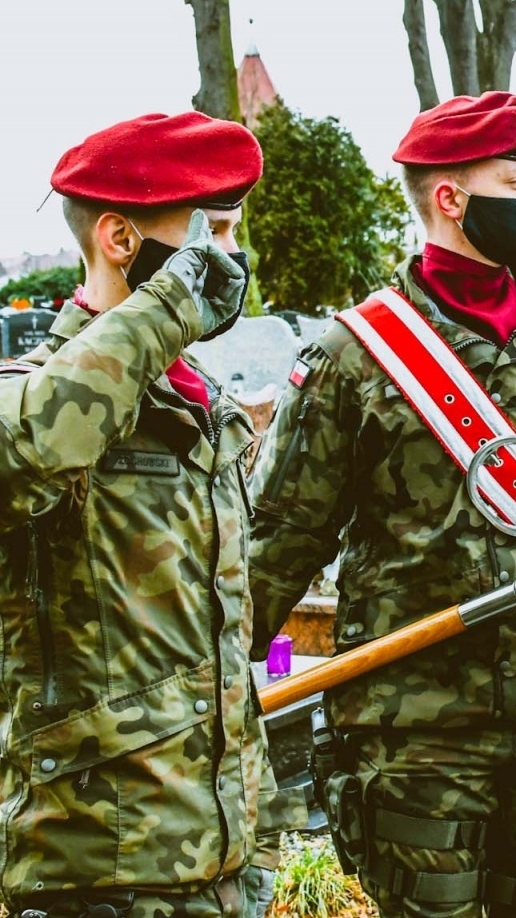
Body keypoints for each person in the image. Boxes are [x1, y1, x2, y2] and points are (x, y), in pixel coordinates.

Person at [248, 92, 516, 918]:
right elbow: (281, 539)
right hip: (416, 725)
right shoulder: (354, 357)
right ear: (451, 199)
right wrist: (218, 681)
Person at [0, 112, 275, 917]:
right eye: (209, 235)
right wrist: (158, 313)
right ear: (121, 239)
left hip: (217, 856)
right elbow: (40, 443)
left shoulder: (201, 403)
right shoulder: (31, 387)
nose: (228, 260)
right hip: (98, 864)